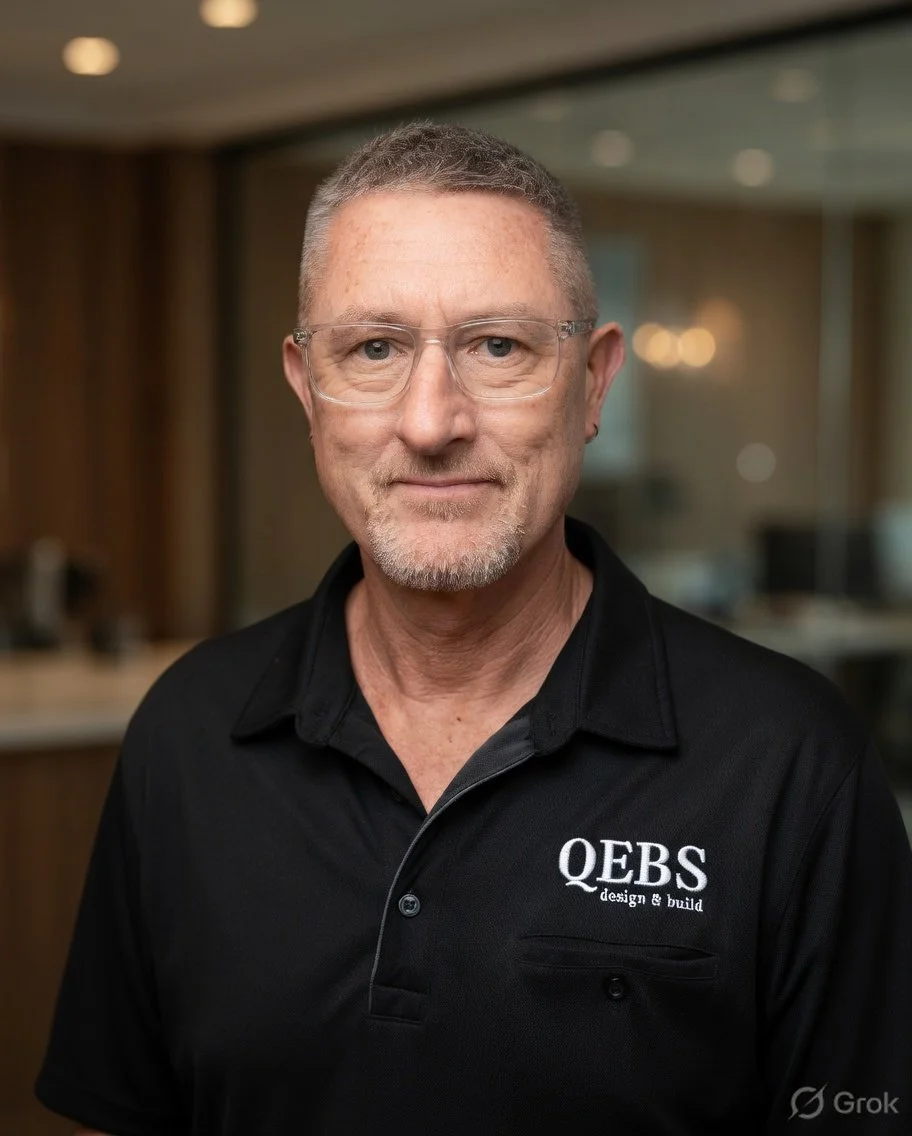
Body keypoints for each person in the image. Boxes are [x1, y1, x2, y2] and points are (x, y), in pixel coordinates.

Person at [36, 121, 912, 1136]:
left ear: (591, 381)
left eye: (497, 346)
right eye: (375, 348)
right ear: (304, 387)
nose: (431, 420)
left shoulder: (789, 759)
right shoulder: (189, 730)